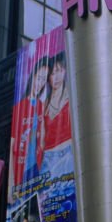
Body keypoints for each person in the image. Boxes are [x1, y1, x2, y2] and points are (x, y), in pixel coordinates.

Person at [10, 56, 49, 191]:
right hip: (21, 173)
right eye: (39, 78)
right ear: (32, 77)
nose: (40, 83)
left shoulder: (41, 106)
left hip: (37, 169)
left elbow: (43, 142)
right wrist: (11, 184)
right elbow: (11, 148)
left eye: (44, 80)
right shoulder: (19, 108)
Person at [42, 52, 72, 181]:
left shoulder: (72, 94)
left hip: (69, 153)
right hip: (49, 158)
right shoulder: (44, 104)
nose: (57, 77)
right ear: (48, 78)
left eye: (59, 71)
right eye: (53, 74)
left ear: (65, 71)